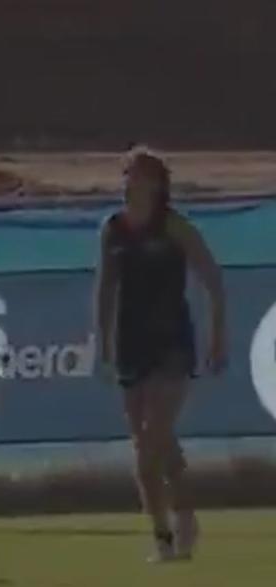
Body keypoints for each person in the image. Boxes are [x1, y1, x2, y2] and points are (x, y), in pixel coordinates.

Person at [94, 147, 226, 563]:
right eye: (128, 174)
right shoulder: (113, 230)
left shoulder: (173, 227)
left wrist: (217, 336)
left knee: (155, 439)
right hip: (132, 344)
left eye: (141, 174)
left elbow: (212, 279)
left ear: (157, 182)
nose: (133, 181)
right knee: (150, 447)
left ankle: (180, 526)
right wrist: (103, 343)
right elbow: (105, 290)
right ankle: (165, 533)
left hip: (171, 343)